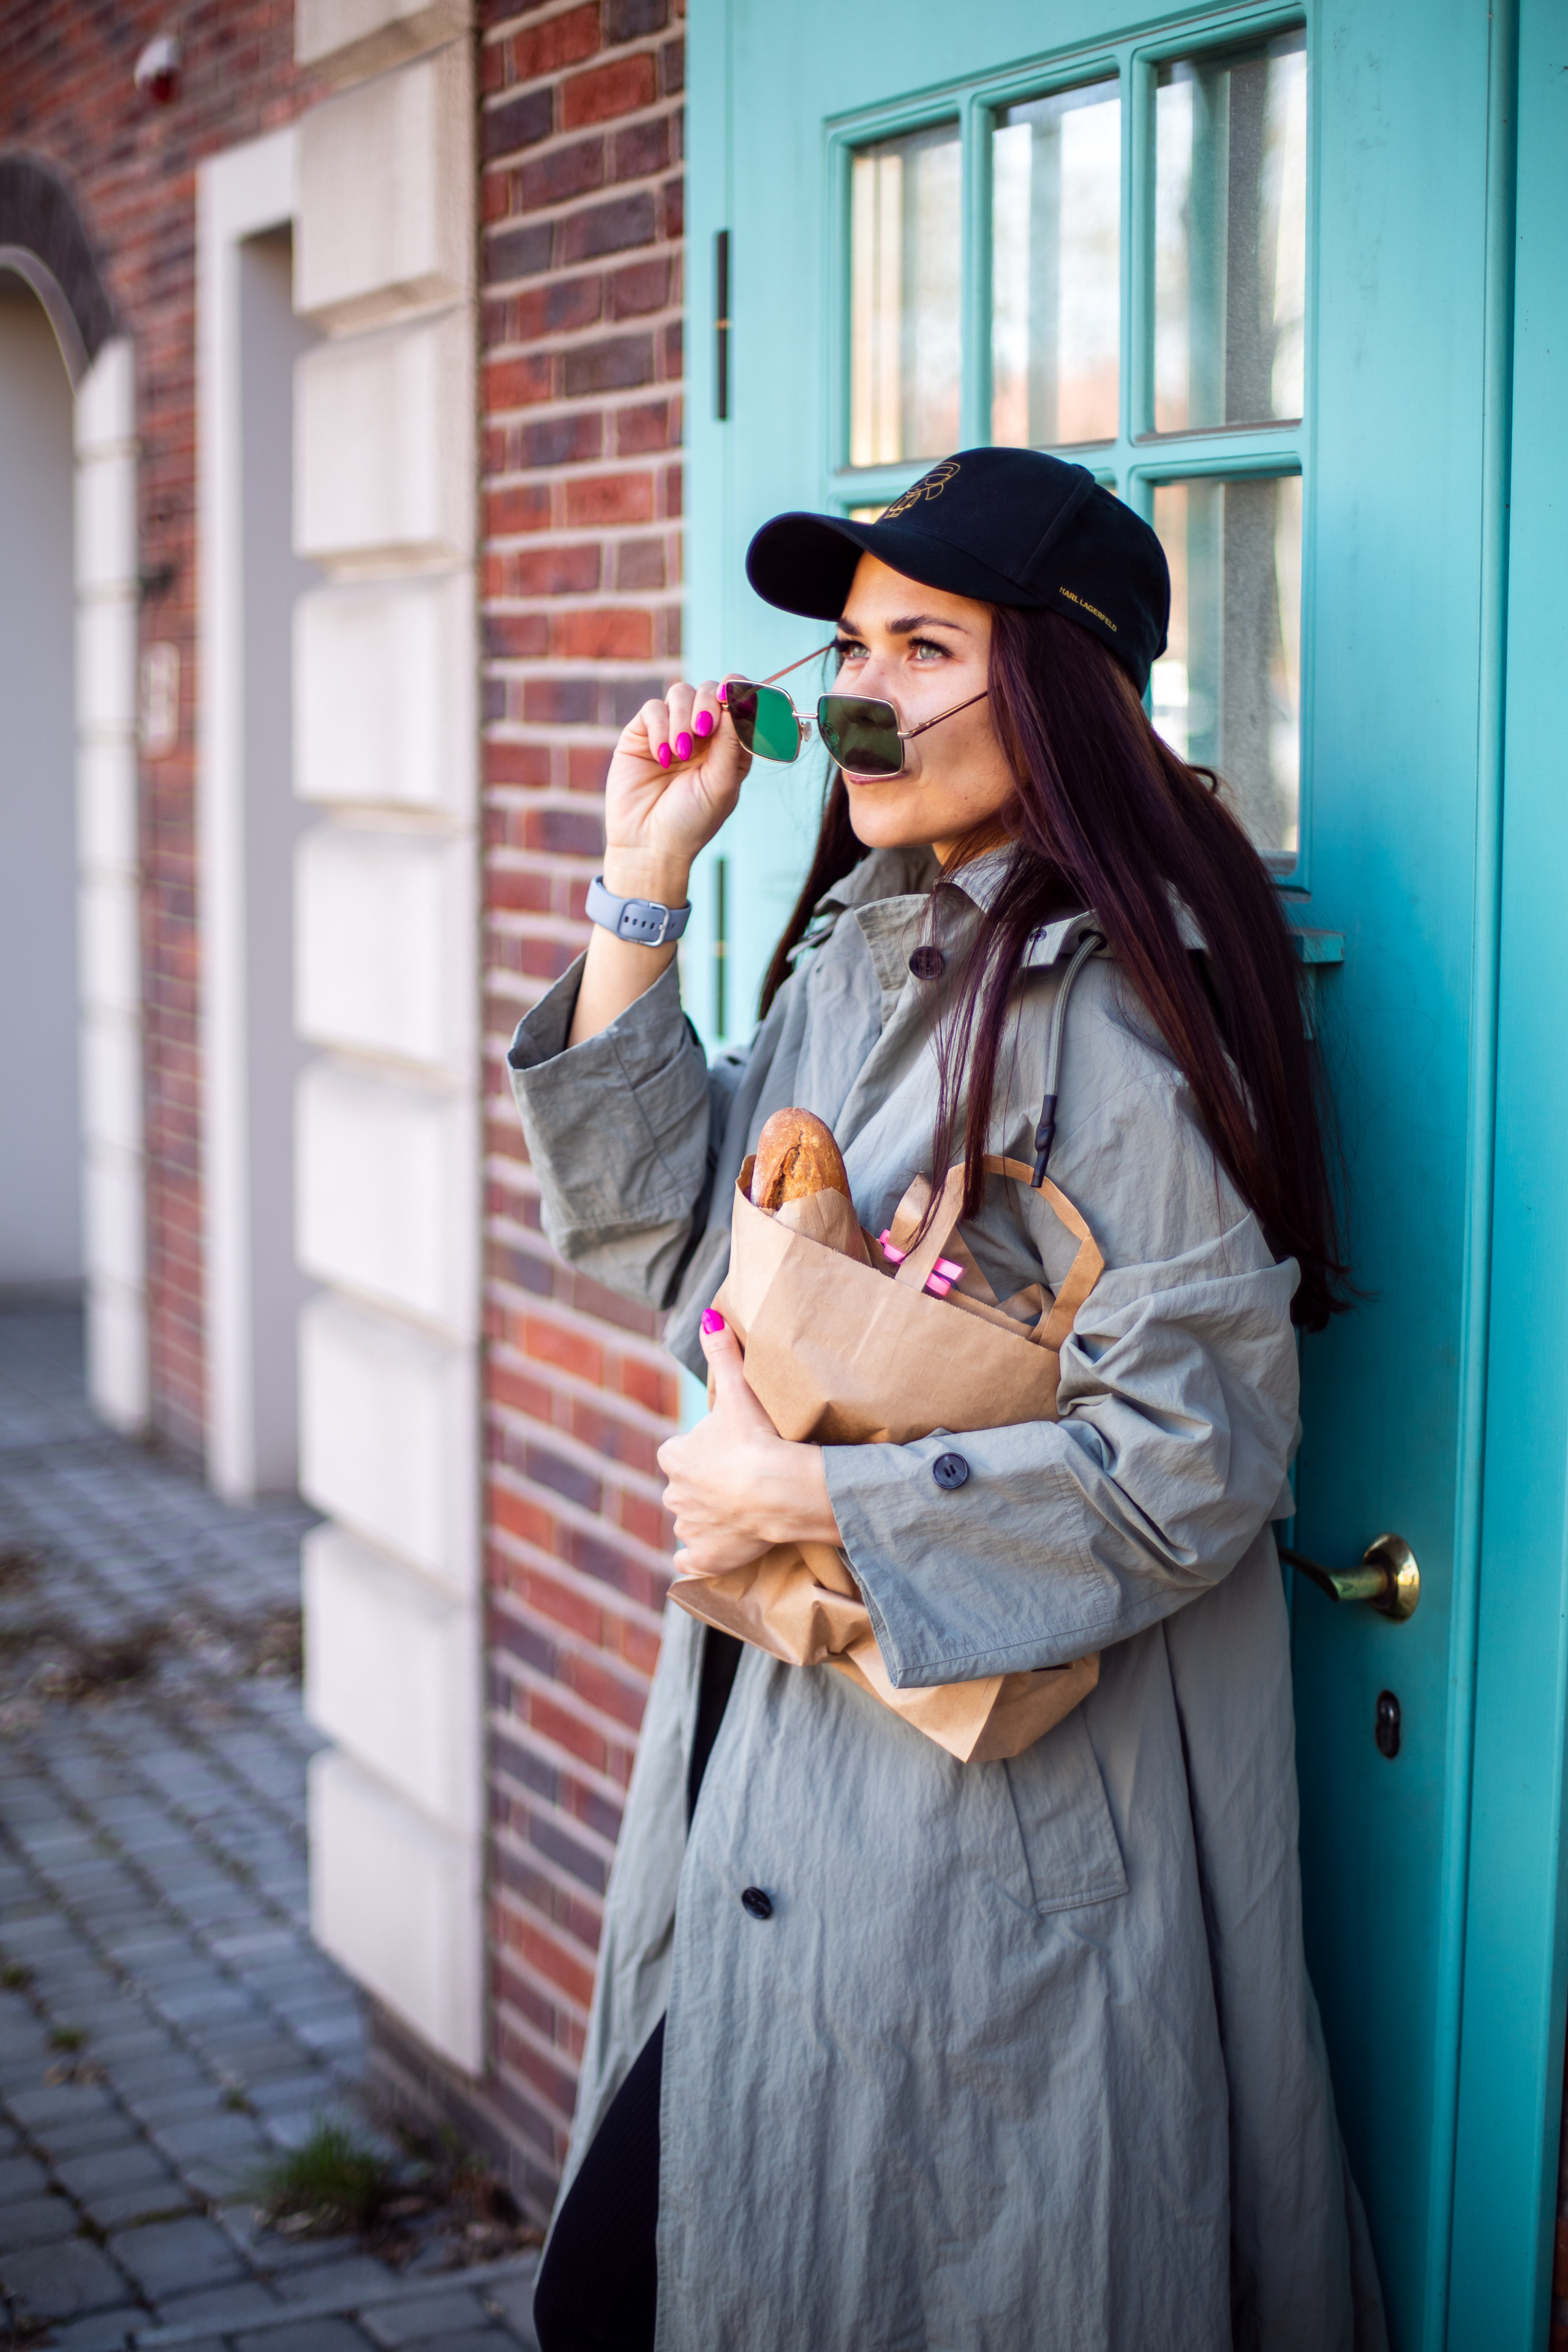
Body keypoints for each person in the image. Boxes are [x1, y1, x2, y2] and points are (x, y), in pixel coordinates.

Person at [513, 447, 1387, 2352]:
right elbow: (660, 1240)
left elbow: (1193, 1469)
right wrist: (641, 889)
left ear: (1064, 686)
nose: (857, 696)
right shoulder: (866, 940)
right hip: (775, 1765)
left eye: (923, 647)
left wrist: (804, 1508)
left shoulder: (1125, 1011)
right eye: (847, 646)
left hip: (986, 1844)